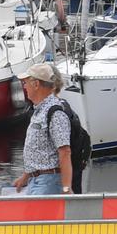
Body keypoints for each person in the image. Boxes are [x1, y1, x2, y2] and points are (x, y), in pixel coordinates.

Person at [11, 62, 74, 195]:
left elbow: (65, 152)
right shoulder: (39, 110)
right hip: (37, 181)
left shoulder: (55, 113)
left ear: (36, 84)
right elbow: (40, 152)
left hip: (48, 183)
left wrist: (66, 188)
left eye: (26, 82)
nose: (24, 86)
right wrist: (26, 176)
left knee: (40, 216)